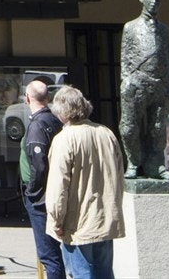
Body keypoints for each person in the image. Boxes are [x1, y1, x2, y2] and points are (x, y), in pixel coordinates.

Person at [44, 87, 125, 279]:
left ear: (62, 112)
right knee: (104, 272)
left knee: (81, 273)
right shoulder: (106, 133)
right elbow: (119, 174)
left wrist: (56, 219)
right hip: (105, 216)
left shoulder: (64, 139)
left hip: (77, 221)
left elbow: (58, 185)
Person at [119, 0, 169, 179]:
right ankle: (133, 162)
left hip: (160, 85)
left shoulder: (164, 30)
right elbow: (125, 60)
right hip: (137, 83)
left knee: (158, 129)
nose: (154, 2)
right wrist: (127, 82)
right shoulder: (130, 27)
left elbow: (168, 59)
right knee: (128, 128)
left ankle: (157, 166)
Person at [20, 80, 67, 279]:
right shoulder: (54, 120)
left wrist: (32, 193)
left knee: (49, 254)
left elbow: (39, 165)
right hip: (53, 192)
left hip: (41, 198)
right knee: (55, 252)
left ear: (28, 98)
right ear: (47, 99)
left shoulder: (38, 125)